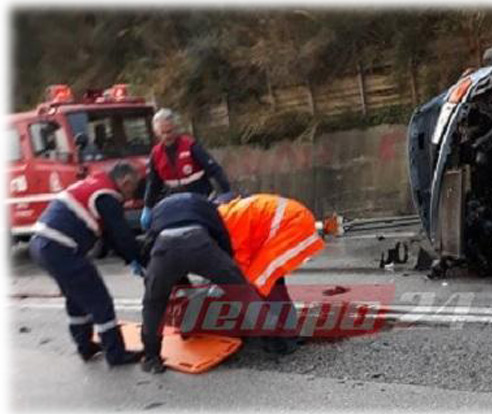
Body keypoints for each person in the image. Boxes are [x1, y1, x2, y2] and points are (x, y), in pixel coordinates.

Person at [140, 193, 325, 373]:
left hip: (290, 225)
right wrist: (225, 275)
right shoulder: (212, 210)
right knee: (245, 291)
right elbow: (224, 244)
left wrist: (170, 283)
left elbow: (150, 247)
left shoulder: (228, 218)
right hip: (203, 242)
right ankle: (276, 336)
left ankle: (151, 358)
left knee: (154, 303)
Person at [29, 163, 146, 367]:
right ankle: (116, 354)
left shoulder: (95, 184)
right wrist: (141, 260)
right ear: (126, 182)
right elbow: (121, 236)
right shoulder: (107, 196)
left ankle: (85, 346)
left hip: (41, 243)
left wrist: (129, 258)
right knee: (99, 299)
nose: (132, 194)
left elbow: (109, 236)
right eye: (133, 188)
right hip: (60, 247)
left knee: (76, 297)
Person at [140, 108, 232, 230]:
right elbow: (153, 183)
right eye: (163, 133)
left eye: (170, 131)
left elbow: (214, 169)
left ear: (175, 128)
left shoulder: (191, 147)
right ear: (157, 133)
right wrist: (147, 206)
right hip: (176, 204)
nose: (167, 136)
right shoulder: (156, 154)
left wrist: (226, 192)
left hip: (200, 200)